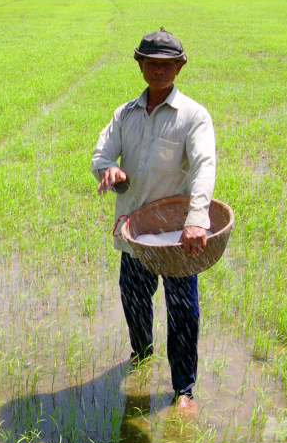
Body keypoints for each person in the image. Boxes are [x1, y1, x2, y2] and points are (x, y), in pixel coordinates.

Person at [91, 28, 215, 413]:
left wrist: (197, 220)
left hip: (179, 237)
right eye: (151, 63)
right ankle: (142, 353)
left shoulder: (193, 116)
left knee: (183, 311)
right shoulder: (124, 114)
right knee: (133, 299)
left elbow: (203, 168)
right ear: (140, 65)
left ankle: (184, 390)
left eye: (166, 64)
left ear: (178, 67)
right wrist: (111, 172)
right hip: (136, 233)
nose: (158, 70)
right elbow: (102, 156)